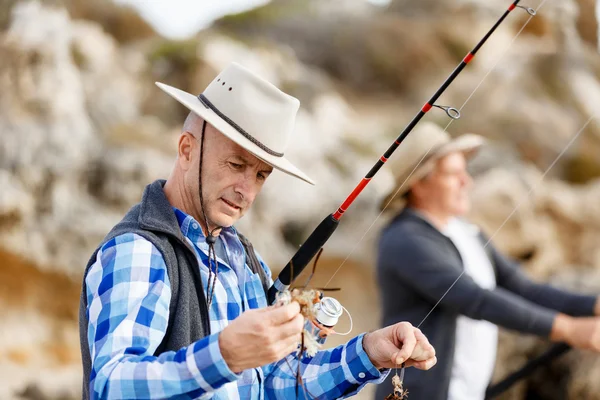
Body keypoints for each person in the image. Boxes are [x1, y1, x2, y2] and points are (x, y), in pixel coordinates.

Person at [78, 62, 437, 400]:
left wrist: (370, 352)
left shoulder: (244, 259)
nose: (246, 190)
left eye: (261, 174)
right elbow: (113, 384)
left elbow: (278, 382)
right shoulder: (139, 250)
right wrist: (225, 356)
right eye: (236, 164)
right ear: (187, 149)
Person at [374, 122, 600, 400]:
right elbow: (474, 298)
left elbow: (525, 289)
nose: (466, 182)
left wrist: (592, 305)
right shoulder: (404, 239)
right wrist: (569, 329)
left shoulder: (468, 233)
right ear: (419, 184)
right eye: (454, 174)